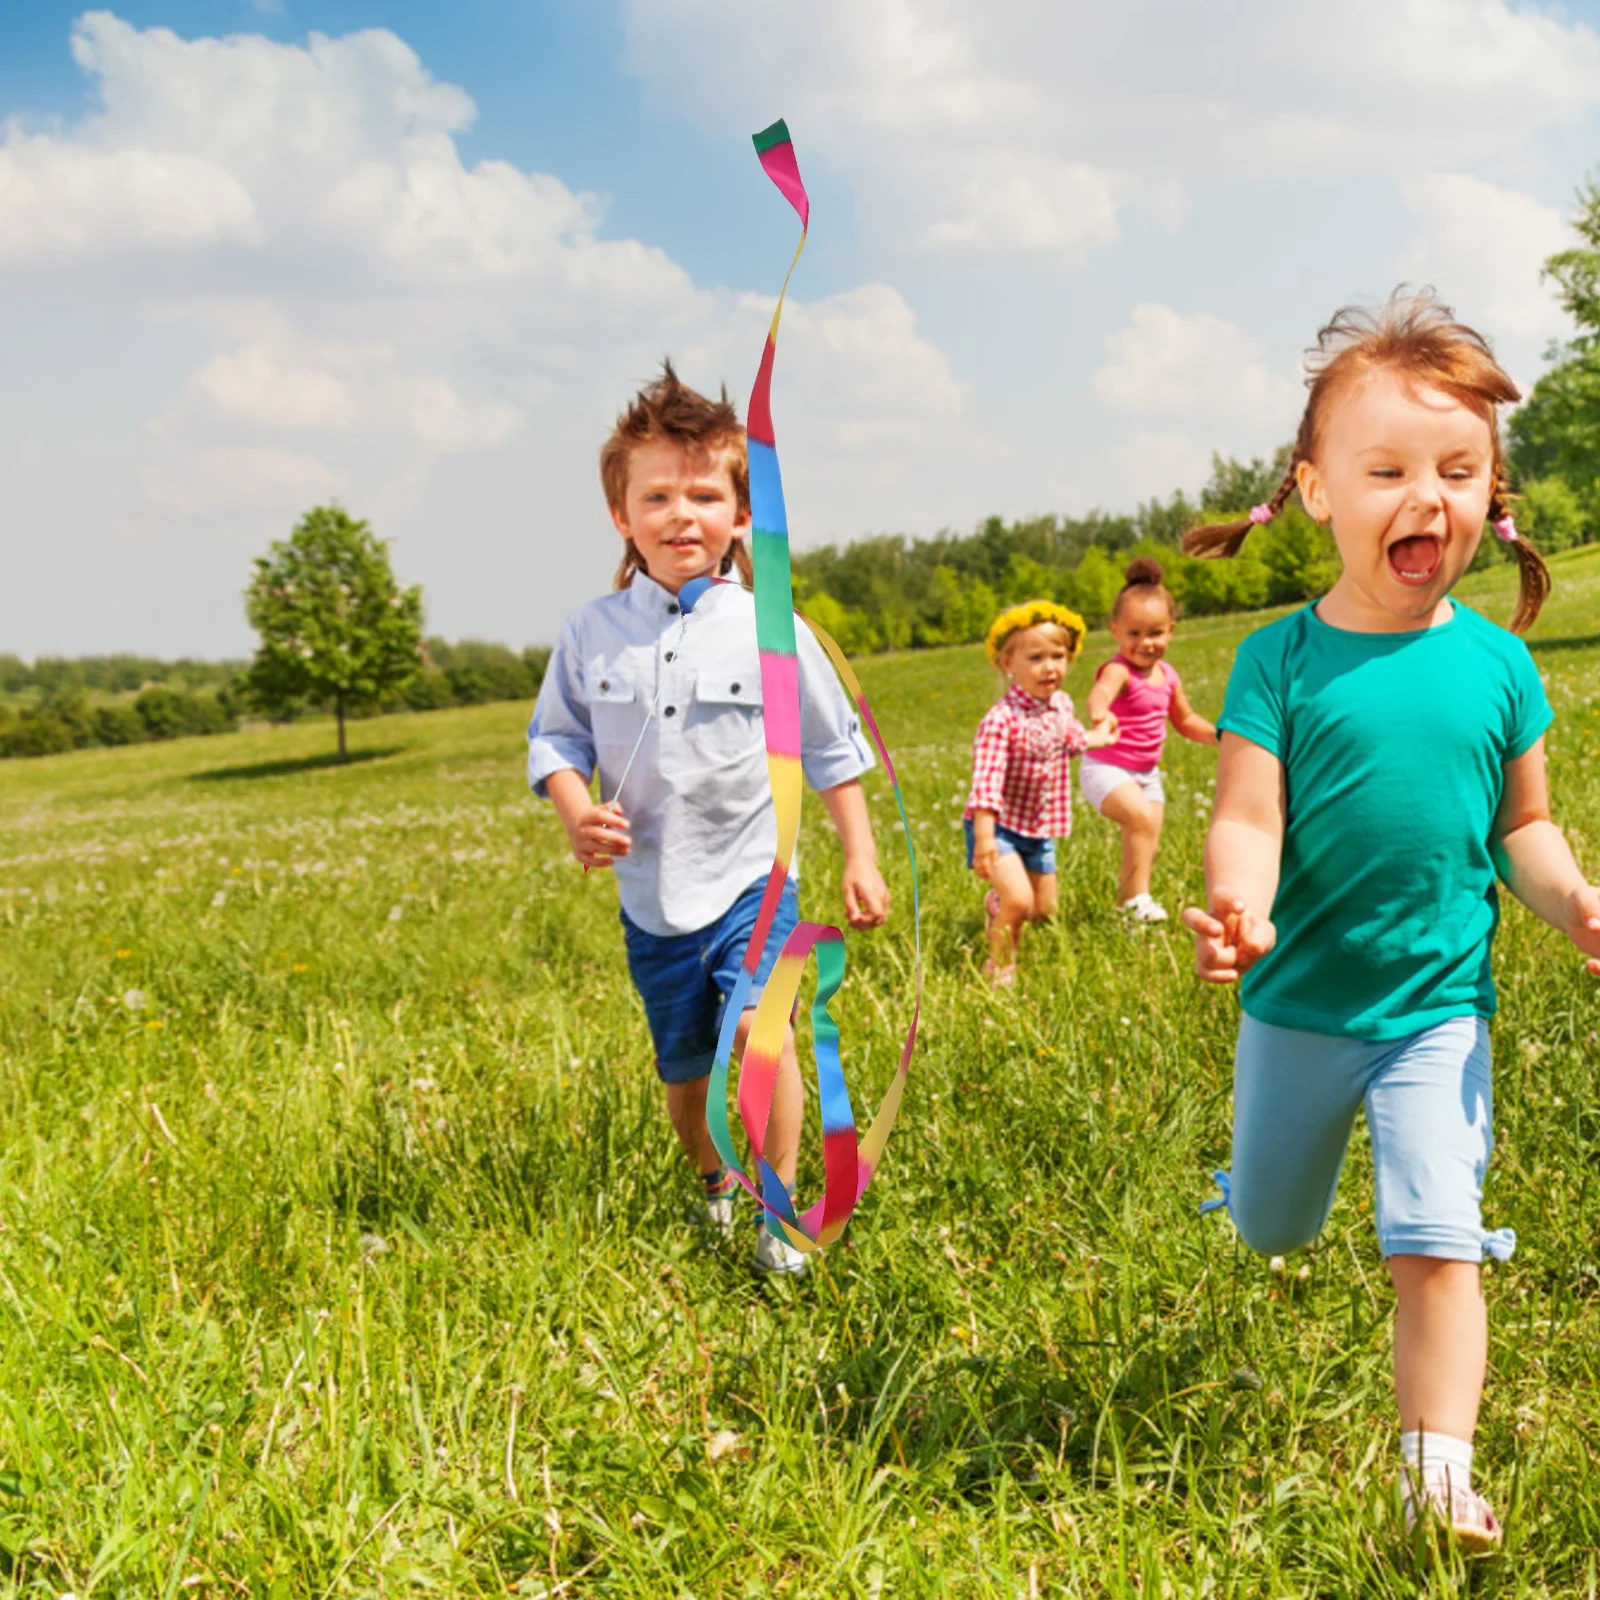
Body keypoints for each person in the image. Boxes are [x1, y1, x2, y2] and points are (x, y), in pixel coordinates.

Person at [1180, 291, 1600, 1549]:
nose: (1428, 495)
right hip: (1297, 1004)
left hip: (1435, 1011)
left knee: (1435, 1240)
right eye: (1388, 469)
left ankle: (1432, 1472)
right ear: (1315, 491)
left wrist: (1571, 895)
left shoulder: (1499, 666)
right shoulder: (1279, 661)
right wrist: (1236, 907)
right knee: (1274, 1222)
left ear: (1490, 492)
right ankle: (1253, 1189)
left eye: (1458, 470)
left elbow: (1517, 829)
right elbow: (1249, 815)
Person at [527, 362, 890, 1276]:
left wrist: (860, 855)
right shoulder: (589, 632)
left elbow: (832, 749)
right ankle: (714, 1183)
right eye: (657, 496)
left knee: (765, 1041)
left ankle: (781, 1215)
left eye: (703, 493)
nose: (680, 513)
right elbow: (554, 741)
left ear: (739, 513)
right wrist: (577, 812)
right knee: (686, 1079)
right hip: (653, 901)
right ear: (622, 516)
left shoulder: (774, 629)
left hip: (754, 884)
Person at [963, 600, 1118, 986]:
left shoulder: (1062, 704)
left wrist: (1101, 736)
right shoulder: (1001, 720)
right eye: (1035, 658)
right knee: (1019, 901)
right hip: (998, 827)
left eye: (1058, 656)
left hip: (1039, 826)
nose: (1050, 667)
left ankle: (998, 906)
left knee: (1043, 909)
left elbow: (1069, 740)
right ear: (1006, 663)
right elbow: (986, 783)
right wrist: (984, 838)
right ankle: (999, 966)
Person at [1081, 557, 1219, 924]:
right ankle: (1138, 901)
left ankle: (1127, 908)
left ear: (1171, 629)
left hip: (1147, 774)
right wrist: (1101, 714)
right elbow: (1099, 693)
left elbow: (1185, 720)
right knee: (1140, 820)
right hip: (1106, 768)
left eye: (1155, 633)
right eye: (1134, 634)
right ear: (1115, 630)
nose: (1145, 643)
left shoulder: (1168, 675)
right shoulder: (1118, 670)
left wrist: (1221, 737)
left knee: (1146, 842)